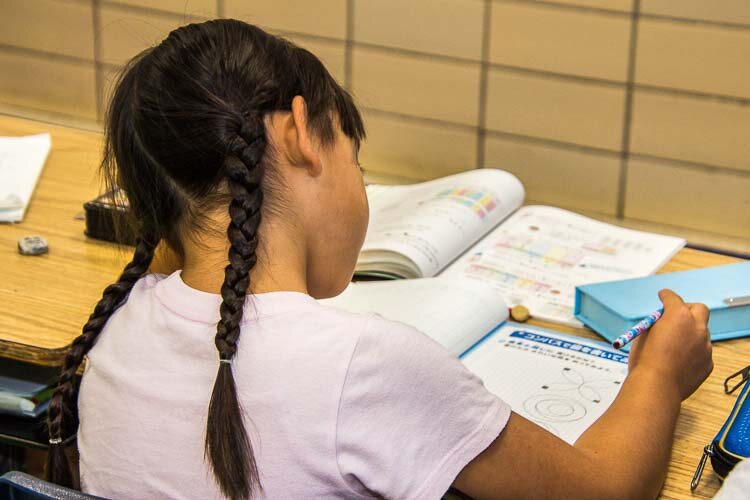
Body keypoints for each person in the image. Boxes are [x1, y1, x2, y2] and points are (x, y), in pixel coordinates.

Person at [45, 19, 713, 499]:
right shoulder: (365, 365)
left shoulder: (118, 329)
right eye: (355, 159)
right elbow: (604, 489)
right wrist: (659, 373)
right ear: (301, 134)